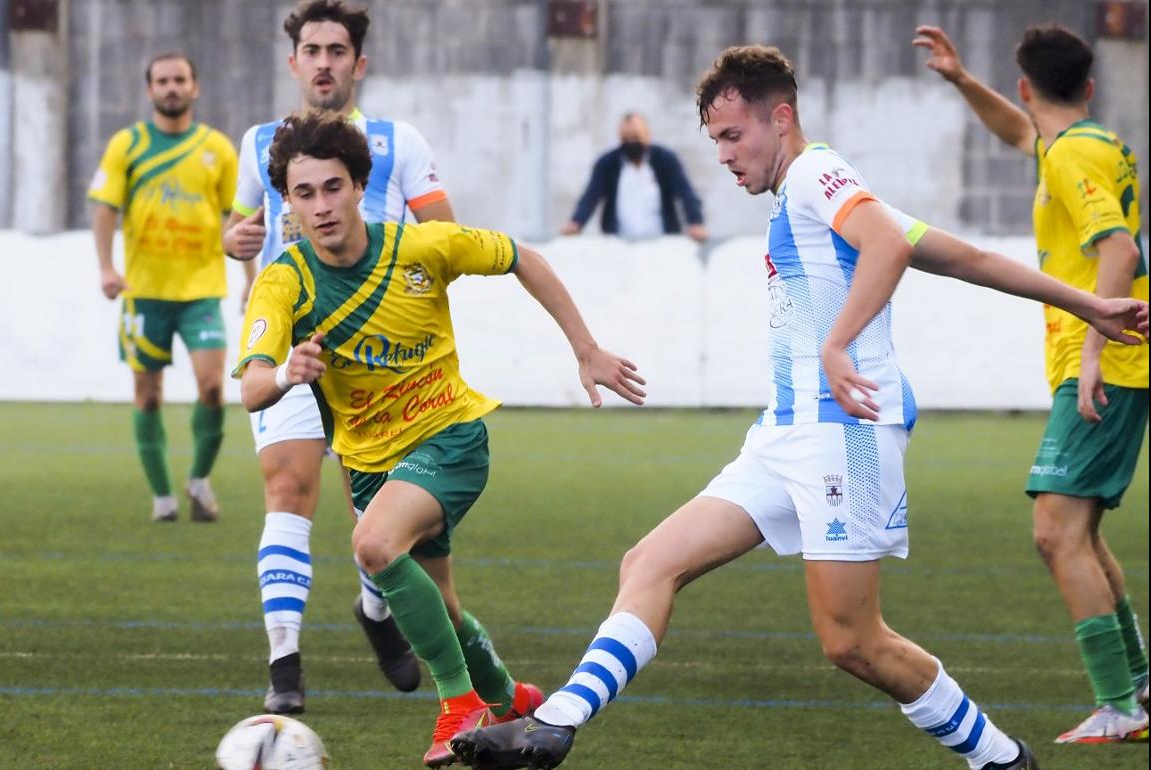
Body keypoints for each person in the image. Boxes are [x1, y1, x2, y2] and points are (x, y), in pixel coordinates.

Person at [451, 45, 1151, 770]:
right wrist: (1089, 303)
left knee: (853, 641)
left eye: (732, 136)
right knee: (651, 561)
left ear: (780, 118)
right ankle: (555, 726)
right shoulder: (813, 187)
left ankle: (1002, 760)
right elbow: (954, 254)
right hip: (785, 435)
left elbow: (883, 243)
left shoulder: (817, 172)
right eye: (714, 140)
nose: (722, 156)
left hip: (845, 434)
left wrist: (837, 345)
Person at [233, 111, 647, 767]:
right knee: (444, 614)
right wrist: (287, 371)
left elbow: (522, 258)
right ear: (286, 200)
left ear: (359, 183)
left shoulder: (421, 248)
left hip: (450, 439)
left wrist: (586, 348)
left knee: (371, 544)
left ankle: (458, 703)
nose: (321, 206)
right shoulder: (285, 281)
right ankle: (509, 697)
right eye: (304, 193)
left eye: (333, 187)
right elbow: (252, 386)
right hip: (373, 466)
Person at [914, 23, 1150, 744]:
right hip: (1111, 359)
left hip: (1103, 362)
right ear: (1087, 85)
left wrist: (1088, 354)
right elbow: (1023, 133)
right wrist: (960, 80)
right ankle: (1138, 688)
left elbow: (1117, 246)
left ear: (1027, 83)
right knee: (1079, 532)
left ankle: (1121, 706)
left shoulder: (1072, 153)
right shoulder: (1086, 143)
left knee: (1054, 531)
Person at [222, 0, 456, 711]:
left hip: (378, 359)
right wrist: (238, 250)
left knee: (377, 520)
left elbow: (442, 235)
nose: (323, 62)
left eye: (337, 50)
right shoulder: (260, 140)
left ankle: (376, 612)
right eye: (312, 50)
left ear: (360, 62)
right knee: (288, 492)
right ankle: (284, 666)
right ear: (294, 63)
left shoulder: (397, 141)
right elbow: (246, 231)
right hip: (291, 345)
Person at [89, 52, 245, 523]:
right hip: (144, 292)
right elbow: (104, 208)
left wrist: (251, 276)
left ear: (195, 87)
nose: (171, 87)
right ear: (149, 89)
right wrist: (105, 267)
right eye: (162, 80)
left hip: (201, 290)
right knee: (148, 395)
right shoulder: (127, 145)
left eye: (180, 79)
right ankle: (162, 497)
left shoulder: (217, 147)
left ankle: (199, 478)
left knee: (214, 388)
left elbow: (236, 219)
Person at [561, 112, 708, 241]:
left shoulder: (666, 160)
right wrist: (576, 223)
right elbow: (591, 196)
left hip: (662, 242)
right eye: (626, 138)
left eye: (636, 136)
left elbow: (685, 193)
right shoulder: (607, 163)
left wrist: (696, 223)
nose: (632, 142)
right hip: (618, 242)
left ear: (647, 135)